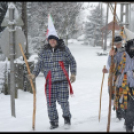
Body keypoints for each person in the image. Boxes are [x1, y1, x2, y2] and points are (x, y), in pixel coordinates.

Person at [27, 14, 77, 129]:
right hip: (49, 82)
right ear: (48, 41)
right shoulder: (44, 51)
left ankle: (67, 119)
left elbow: (72, 61)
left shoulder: (64, 49)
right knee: (50, 104)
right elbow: (39, 64)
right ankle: (53, 122)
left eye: (54, 39)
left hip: (63, 81)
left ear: (57, 40)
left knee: (63, 102)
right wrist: (34, 74)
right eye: (51, 39)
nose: (52, 41)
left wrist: (73, 73)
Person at [103, 35, 134, 132]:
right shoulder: (115, 53)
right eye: (115, 43)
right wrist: (111, 57)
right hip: (120, 82)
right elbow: (110, 67)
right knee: (122, 105)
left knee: (130, 106)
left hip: (131, 83)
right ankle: (125, 120)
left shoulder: (129, 52)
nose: (117, 45)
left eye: (119, 42)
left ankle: (129, 126)